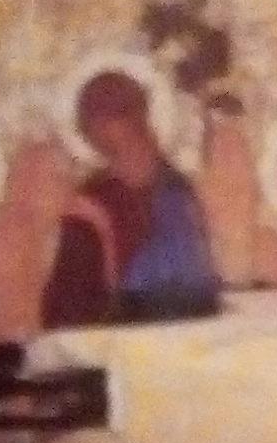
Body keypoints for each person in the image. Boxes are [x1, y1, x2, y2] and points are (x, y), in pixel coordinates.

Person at [40, 66, 218, 326]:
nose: (90, 132)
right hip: (141, 331)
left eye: (94, 121)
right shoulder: (175, 187)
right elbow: (68, 303)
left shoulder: (173, 190)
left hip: (157, 328)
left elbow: (65, 309)